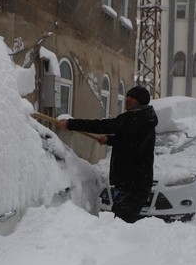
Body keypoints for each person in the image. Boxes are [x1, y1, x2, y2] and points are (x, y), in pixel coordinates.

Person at [57, 86, 158, 223]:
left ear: (140, 100)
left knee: (121, 223)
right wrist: (110, 140)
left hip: (131, 183)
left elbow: (102, 126)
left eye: (131, 97)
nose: (127, 99)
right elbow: (132, 141)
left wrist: (70, 124)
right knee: (123, 222)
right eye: (127, 96)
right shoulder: (146, 118)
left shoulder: (133, 118)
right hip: (137, 182)